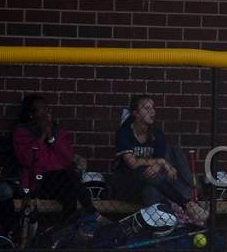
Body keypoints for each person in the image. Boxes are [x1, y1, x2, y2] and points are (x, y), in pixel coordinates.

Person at [112, 95, 207, 225]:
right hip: (127, 184)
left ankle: (164, 228)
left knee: (151, 191)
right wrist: (161, 163)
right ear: (136, 113)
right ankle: (187, 204)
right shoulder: (124, 133)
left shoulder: (157, 134)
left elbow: (159, 161)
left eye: (153, 108)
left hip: (150, 184)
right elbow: (132, 163)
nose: (152, 111)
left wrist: (159, 163)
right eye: (146, 108)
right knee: (145, 173)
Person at [12, 94, 97, 221]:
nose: (46, 112)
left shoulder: (59, 131)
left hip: (61, 182)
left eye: (46, 108)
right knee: (68, 178)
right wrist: (42, 136)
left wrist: (51, 138)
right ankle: (92, 213)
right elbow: (28, 159)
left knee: (69, 192)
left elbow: (67, 159)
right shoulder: (22, 132)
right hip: (37, 182)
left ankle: (65, 231)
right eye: (41, 109)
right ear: (31, 115)